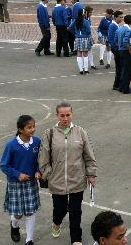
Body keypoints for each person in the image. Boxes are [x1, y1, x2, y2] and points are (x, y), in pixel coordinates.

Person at [39, 103, 97, 245]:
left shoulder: (81, 132)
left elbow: (89, 155)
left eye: (68, 115)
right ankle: (56, 222)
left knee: (75, 211)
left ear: (72, 114)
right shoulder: (49, 133)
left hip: (76, 180)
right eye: (62, 115)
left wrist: (91, 174)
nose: (65, 118)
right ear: (57, 116)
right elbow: (43, 158)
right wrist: (48, 174)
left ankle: (76, 239)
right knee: (59, 209)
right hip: (57, 181)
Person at [0, 115, 41, 245]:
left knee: (30, 212)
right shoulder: (11, 145)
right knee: (18, 214)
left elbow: (41, 161)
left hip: (31, 183)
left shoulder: (37, 142)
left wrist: (38, 171)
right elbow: (4, 166)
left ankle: (29, 240)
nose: (32, 129)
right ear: (20, 129)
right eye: (29, 127)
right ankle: (14, 225)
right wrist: (18, 175)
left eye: (33, 126)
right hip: (15, 183)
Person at [70, 8, 94, 75]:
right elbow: (89, 31)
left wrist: (75, 33)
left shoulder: (75, 20)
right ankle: (86, 70)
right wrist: (86, 34)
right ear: (84, 13)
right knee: (85, 54)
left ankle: (81, 69)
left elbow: (69, 28)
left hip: (77, 38)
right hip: (85, 38)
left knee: (79, 54)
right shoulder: (86, 21)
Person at [116, 14, 131, 92]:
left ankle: (121, 86)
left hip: (120, 50)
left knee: (123, 69)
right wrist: (130, 49)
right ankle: (126, 88)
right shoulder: (128, 30)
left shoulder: (120, 28)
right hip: (126, 51)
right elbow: (126, 41)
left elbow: (116, 39)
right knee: (127, 71)